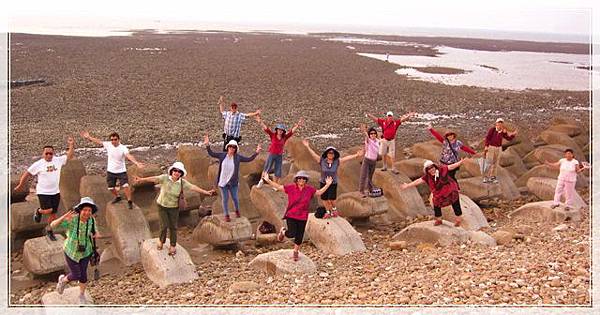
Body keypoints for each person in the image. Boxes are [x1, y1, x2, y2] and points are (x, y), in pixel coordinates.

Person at [132, 162, 215, 255]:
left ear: (181, 174)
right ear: (171, 171)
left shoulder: (182, 183)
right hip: (162, 206)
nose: (177, 172)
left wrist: (206, 192)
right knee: (164, 225)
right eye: (175, 170)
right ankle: (161, 241)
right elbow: (154, 179)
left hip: (174, 208)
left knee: (173, 227)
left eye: (179, 171)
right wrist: (141, 179)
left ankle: (172, 245)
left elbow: (193, 187)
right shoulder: (165, 178)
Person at [261, 170, 334, 261]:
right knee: (292, 233)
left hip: (303, 216)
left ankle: (295, 252)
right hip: (291, 214)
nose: (301, 180)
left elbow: (319, 193)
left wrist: (328, 185)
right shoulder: (291, 188)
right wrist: (268, 180)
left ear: (306, 180)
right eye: (299, 178)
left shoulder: (309, 189)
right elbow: (279, 187)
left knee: (300, 235)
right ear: (296, 180)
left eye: (303, 178)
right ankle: (283, 232)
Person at [14, 137, 75, 241]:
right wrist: (20, 185)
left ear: (53, 153)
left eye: (50, 153)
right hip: (43, 192)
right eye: (46, 153)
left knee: (53, 214)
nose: (48, 155)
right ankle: (39, 211)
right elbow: (27, 174)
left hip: (55, 192)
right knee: (48, 210)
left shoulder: (58, 160)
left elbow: (69, 155)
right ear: (43, 154)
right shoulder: (38, 164)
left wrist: (71, 145)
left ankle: (49, 230)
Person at [52, 197, 101, 304]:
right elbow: (53, 226)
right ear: (80, 210)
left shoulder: (91, 220)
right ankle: (63, 280)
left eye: (89, 210)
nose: (87, 212)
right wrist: (64, 217)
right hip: (71, 251)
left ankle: (82, 295)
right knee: (76, 274)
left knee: (83, 275)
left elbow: (95, 231)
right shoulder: (72, 220)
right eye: (85, 210)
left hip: (86, 251)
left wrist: (96, 234)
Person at [80, 131, 144, 209]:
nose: (113, 141)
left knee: (125, 186)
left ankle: (129, 201)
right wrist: (89, 137)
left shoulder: (123, 148)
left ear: (118, 139)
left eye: (115, 139)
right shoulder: (109, 145)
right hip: (111, 171)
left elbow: (128, 156)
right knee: (110, 188)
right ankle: (118, 197)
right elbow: (99, 141)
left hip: (121, 171)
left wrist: (136, 163)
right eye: (112, 140)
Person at [204, 134, 261, 222]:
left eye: (234, 147)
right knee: (225, 199)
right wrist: (207, 144)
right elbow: (211, 153)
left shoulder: (238, 157)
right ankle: (226, 215)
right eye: (230, 147)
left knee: (235, 198)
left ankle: (237, 211)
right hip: (223, 182)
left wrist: (256, 152)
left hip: (233, 183)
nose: (231, 148)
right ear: (228, 147)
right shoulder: (222, 155)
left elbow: (249, 159)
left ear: (235, 149)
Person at [302, 139, 363, 218]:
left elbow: (347, 158)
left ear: (334, 154)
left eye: (332, 153)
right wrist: (307, 146)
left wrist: (356, 155)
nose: (331, 154)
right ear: (326, 154)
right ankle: (328, 212)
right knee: (324, 198)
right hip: (323, 182)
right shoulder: (322, 161)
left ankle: (334, 210)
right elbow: (313, 154)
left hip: (333, 182)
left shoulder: (337, 161)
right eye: (329, 153)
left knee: (331, 199)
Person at [399, 159, 467, 226]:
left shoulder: (442, 169)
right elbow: (418, 181)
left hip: (449, 188)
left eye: (432, 167)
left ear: (435, 167)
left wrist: (460, 162)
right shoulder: (427, 177)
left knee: (455, 200)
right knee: (436, 203)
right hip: (439, 192)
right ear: (427, 171)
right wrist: (407, 185)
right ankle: (439, 219)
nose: (431, 170)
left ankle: (458, 219)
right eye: (429, 169)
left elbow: (451, 166)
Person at [255, 115, 303, 188]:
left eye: (281, 130)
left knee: (278, 171)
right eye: (279, 129)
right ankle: (261, 181)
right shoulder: (273, 135)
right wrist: (260, 121)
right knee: (267, 168)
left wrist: (298, 125)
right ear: (277, 130)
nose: (280, 131)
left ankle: (275, 185)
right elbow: (266, 128)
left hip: (279, 156)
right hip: (272, 154)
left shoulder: (285, 137)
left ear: (283, 131)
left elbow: (291, 132)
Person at [483, 118, 517, 184]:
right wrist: (486, 146)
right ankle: (486, 177)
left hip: (498, 148)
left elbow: (508, 138)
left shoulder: (503, 131)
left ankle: (493, 177)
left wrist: (513, 135)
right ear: (496, 124)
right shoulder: (492, 130)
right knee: (489, 162)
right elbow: (487, 138)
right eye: (499, 123)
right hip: (491, 147)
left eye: (501, 123)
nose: (500, 125)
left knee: (496, 163)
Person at [358, 124, 380, 197]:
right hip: (367, 160)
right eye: (371, 133)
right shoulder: (368, 141)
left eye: (374, 133)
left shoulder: (377, 141)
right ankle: (361, 191)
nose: (373, 135)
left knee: (370, 176)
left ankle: (370, 190)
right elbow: (367, 137)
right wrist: (364, 131)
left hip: (373, 161)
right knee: (363, 175)